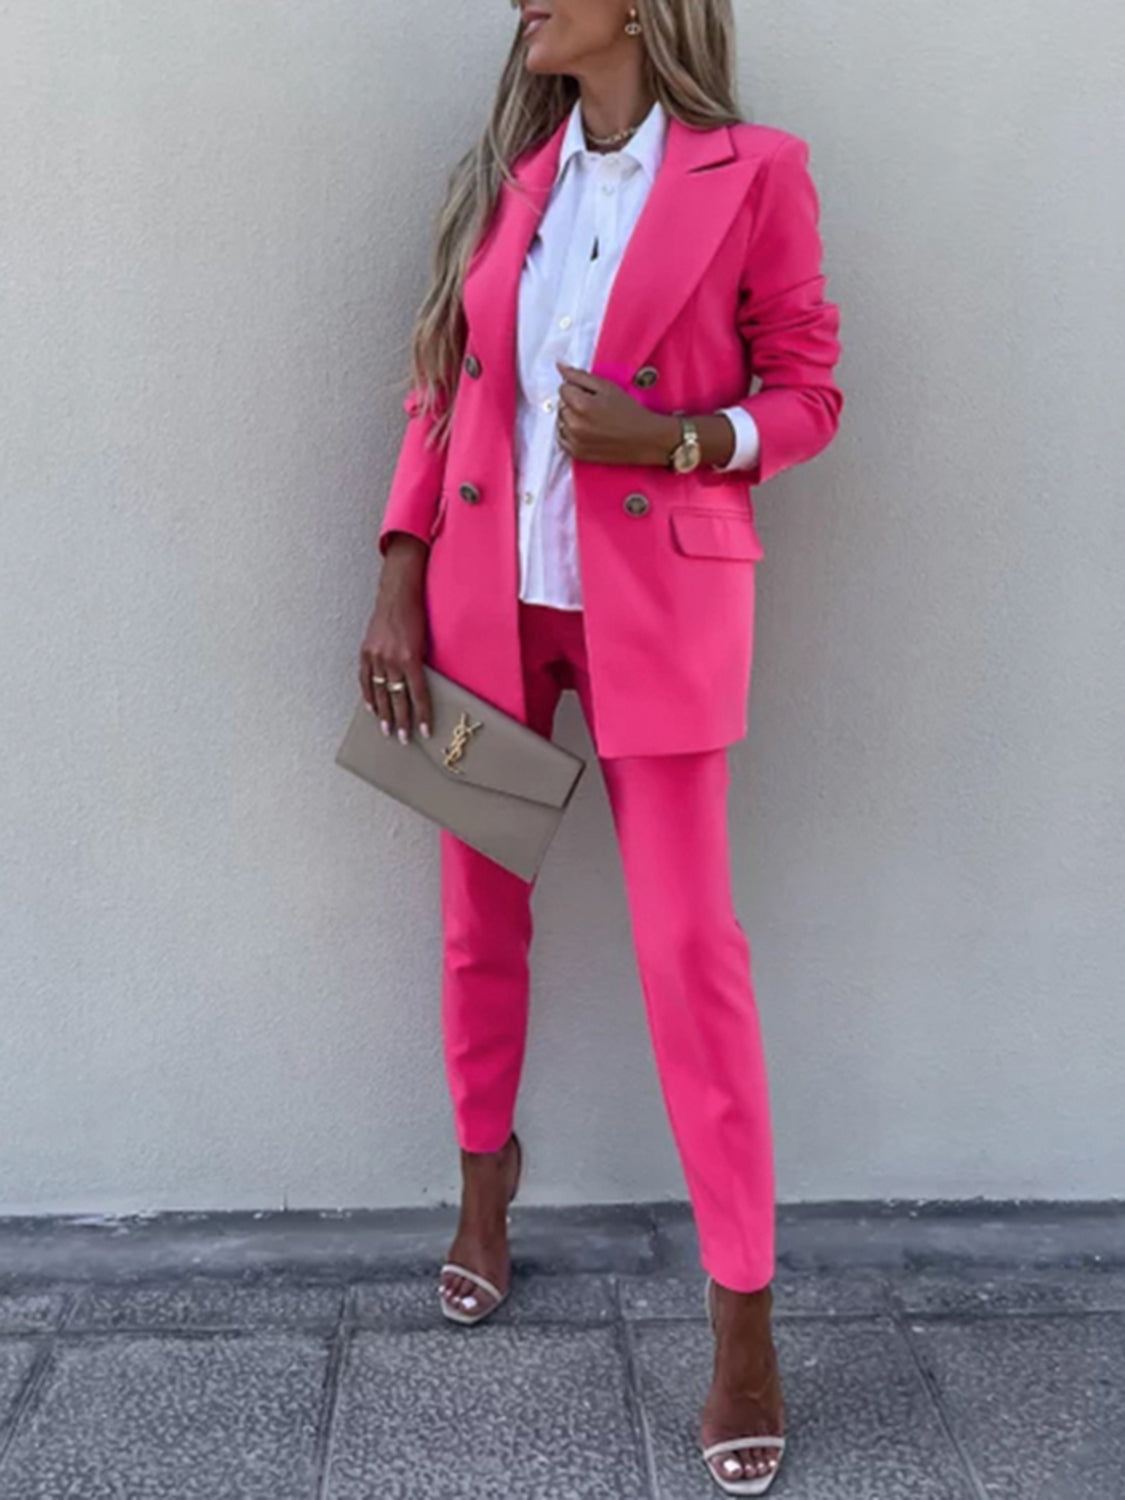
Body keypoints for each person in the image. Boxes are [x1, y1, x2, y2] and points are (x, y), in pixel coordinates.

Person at [358, 1, 842, 1492]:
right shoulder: (514, 176)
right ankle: (484, 1183)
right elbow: (447, 382)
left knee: (689, 950)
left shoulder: (755, 172)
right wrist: (396, 573)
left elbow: (809, 392)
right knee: (474, 918)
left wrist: (675, 440)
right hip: (481, 602)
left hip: (661, 613)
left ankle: (742, 1317)